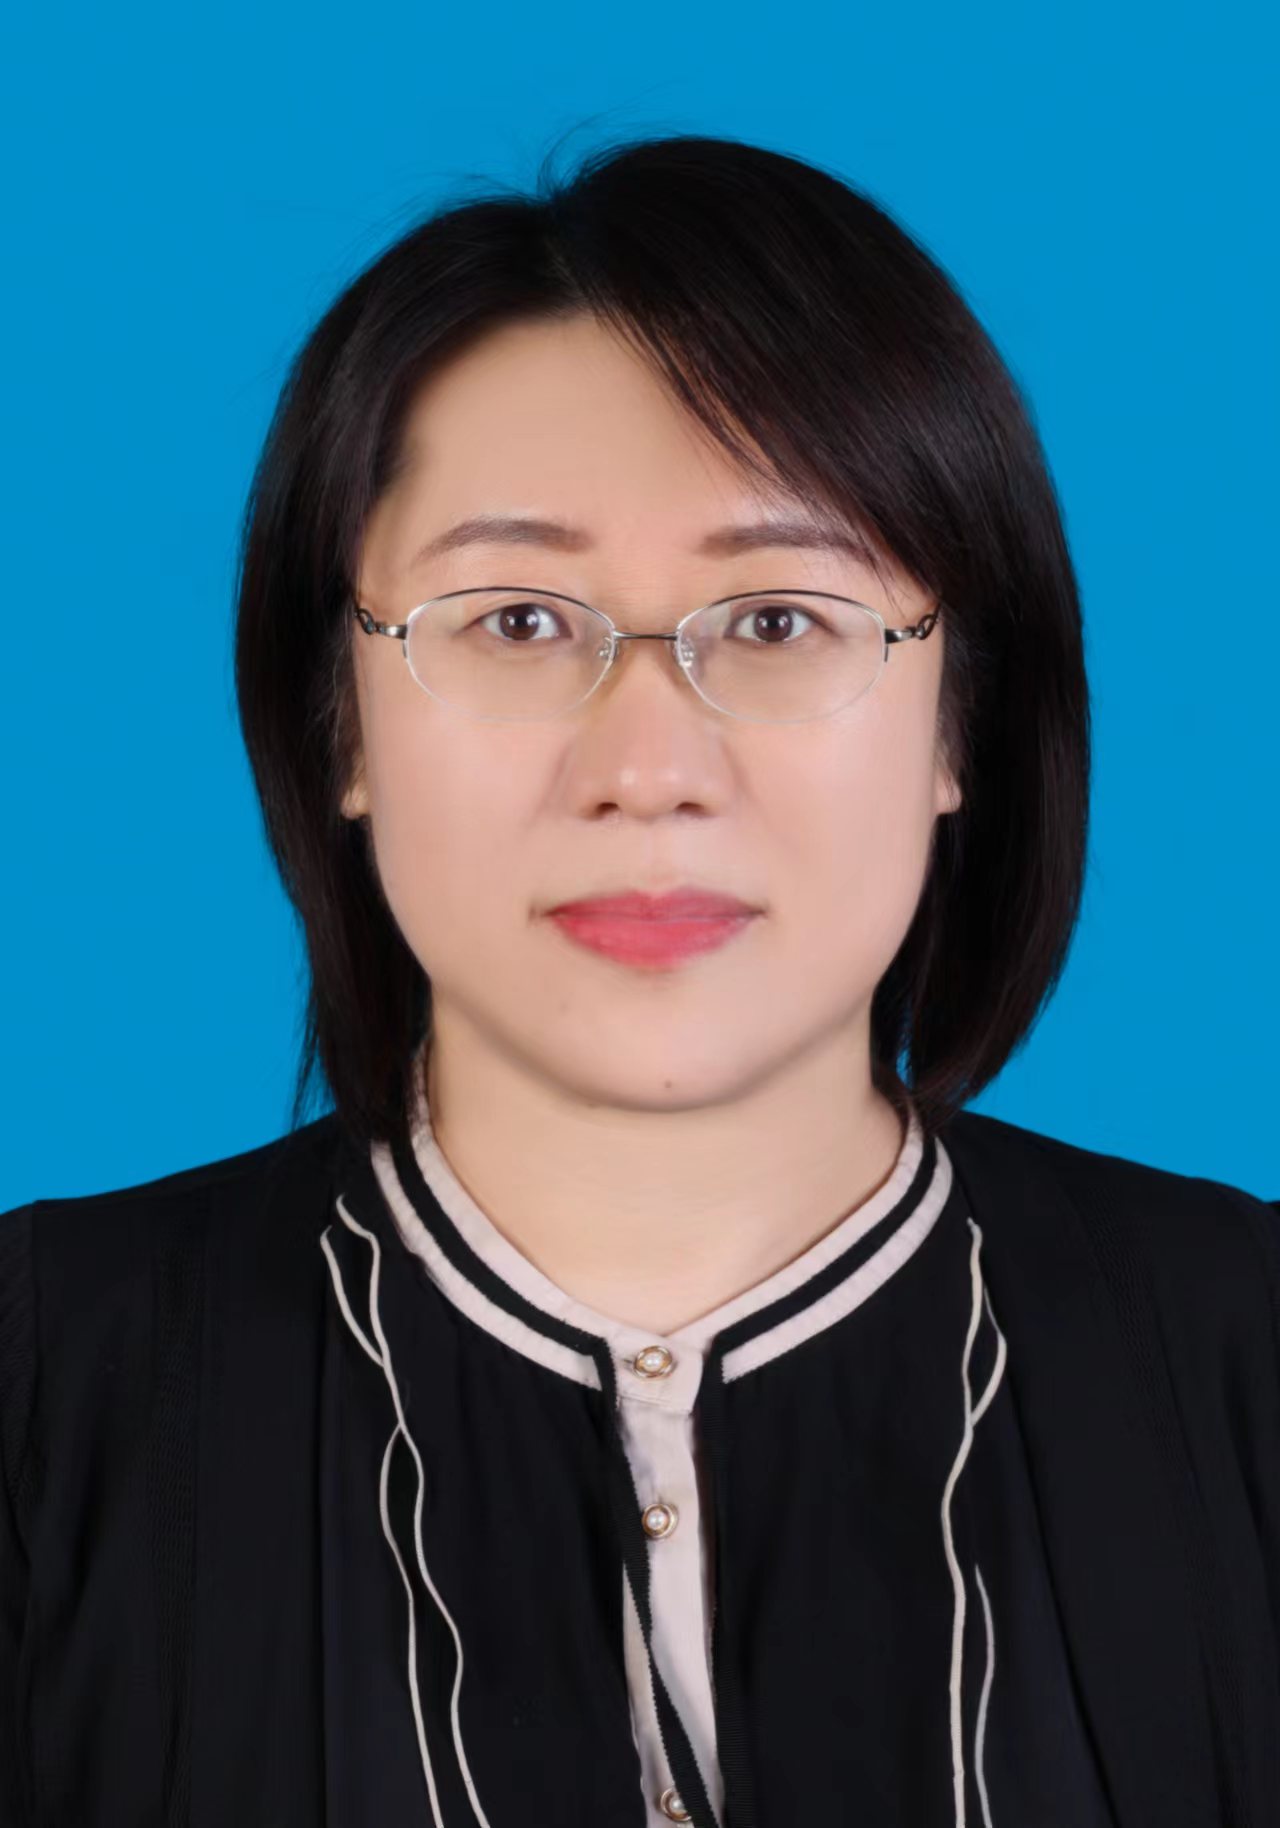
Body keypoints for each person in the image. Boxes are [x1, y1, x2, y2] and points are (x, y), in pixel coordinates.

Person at [1, 131, 1276, 1828]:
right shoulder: (45, 1386)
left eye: (779, 621)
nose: (649, 771)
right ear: (338, 724)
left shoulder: (1243, 1358)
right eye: (518, 622)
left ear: (960, 719)